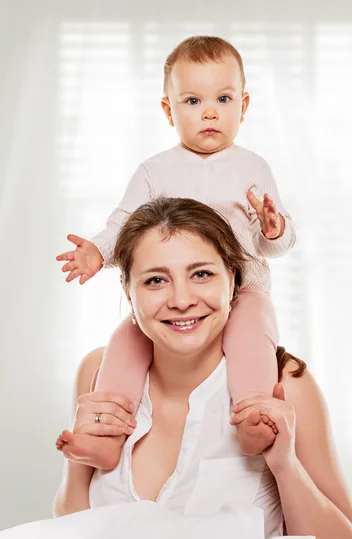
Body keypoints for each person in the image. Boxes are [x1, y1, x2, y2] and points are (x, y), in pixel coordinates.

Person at [54, 198, 352, 539]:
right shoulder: (97, 372)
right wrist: (78, 458)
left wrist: (284, 466)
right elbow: (72, 532)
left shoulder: (285, 385)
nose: (181, 300)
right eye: (156, 280)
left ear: (232, 281)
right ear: (128, 292)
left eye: (200, 274)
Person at [55, 35, 296, 460]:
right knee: (125, 343)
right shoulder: (155, 170)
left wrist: (273, 230)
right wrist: (97, 250)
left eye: (223, 99)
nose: (209, 112)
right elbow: (126, 224)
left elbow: (273, 245)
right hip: (170, 289)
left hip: (243, 291)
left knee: (251, 338)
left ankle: (254, 417)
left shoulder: (252, 167)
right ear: (168, 110)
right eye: (191, 101)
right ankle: (106, 435)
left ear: (243, 106)